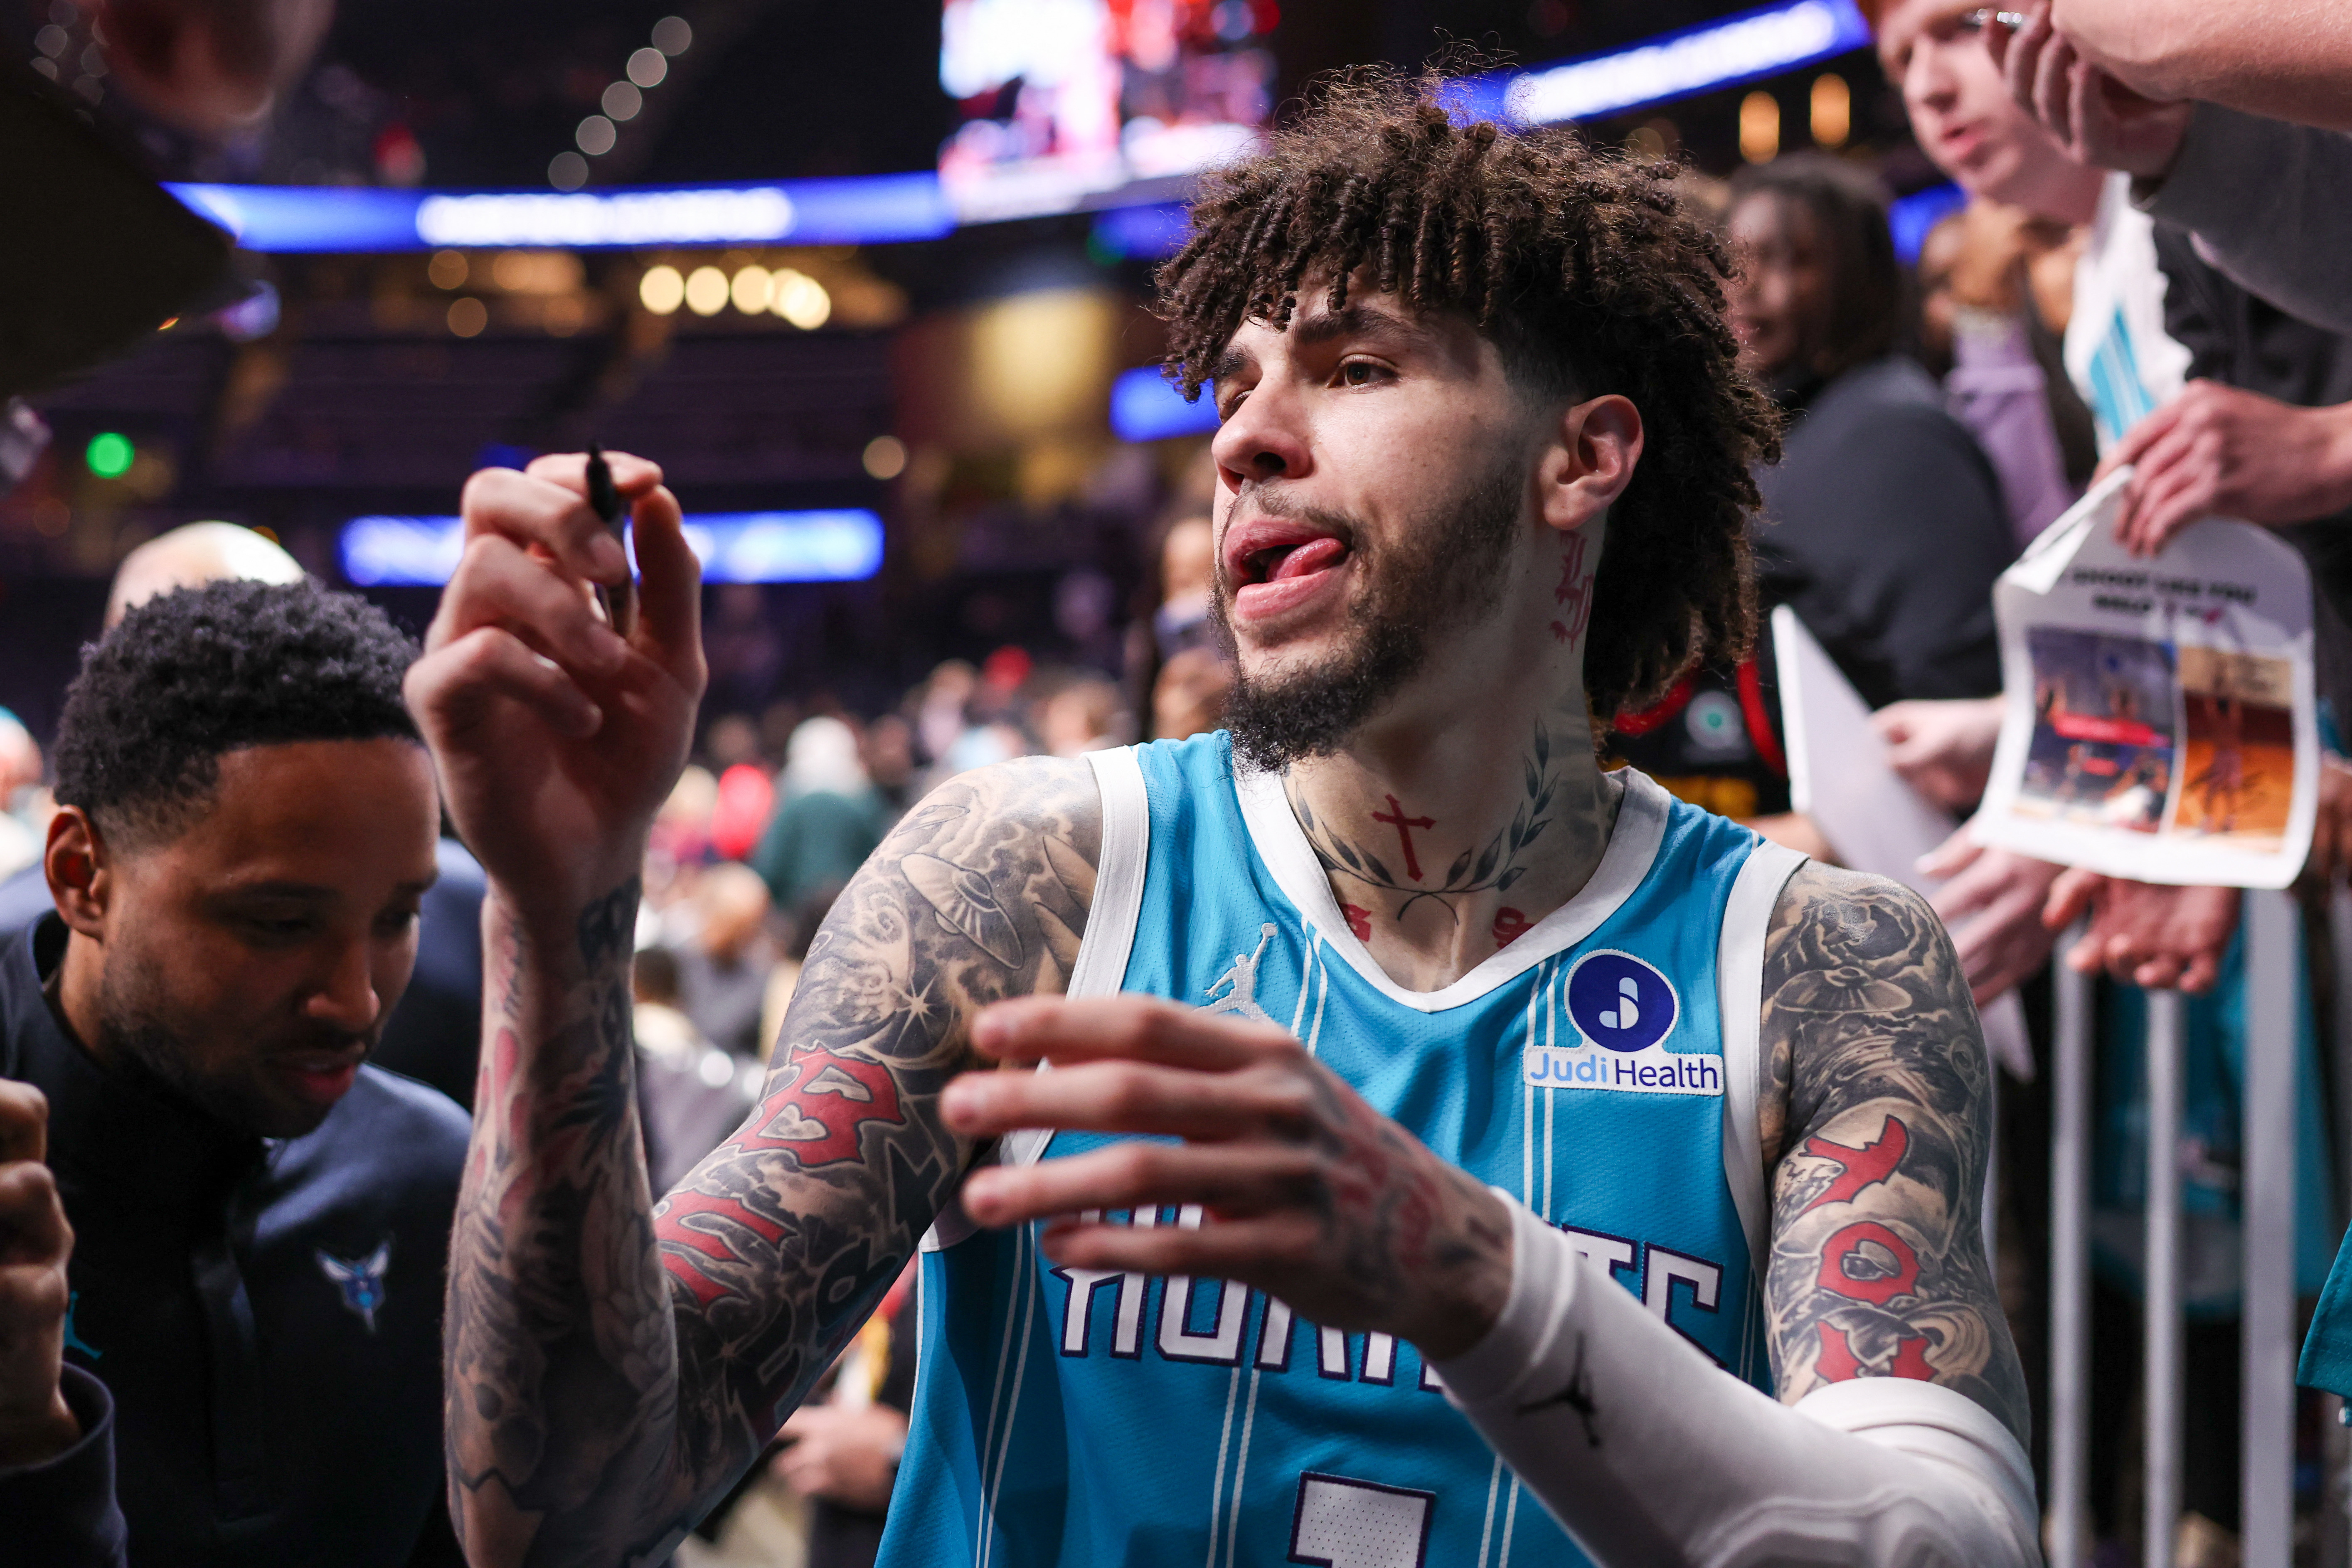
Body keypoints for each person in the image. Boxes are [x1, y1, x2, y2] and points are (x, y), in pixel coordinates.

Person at [417, 75, 2038, 1566]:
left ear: (1583, 455)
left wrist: (1471, 1277)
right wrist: (556, 915)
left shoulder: (1822, 966)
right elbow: (563, 1506)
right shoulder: (1021, 882)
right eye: (1238, 382)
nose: (1243, 437)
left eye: (1354, 368)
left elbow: (1942, 1545)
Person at [0, 579, 468, 1564]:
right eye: (280, 924)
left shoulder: (434, 1176)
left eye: (396, 918)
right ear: (83, 876)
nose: (356, 1002)